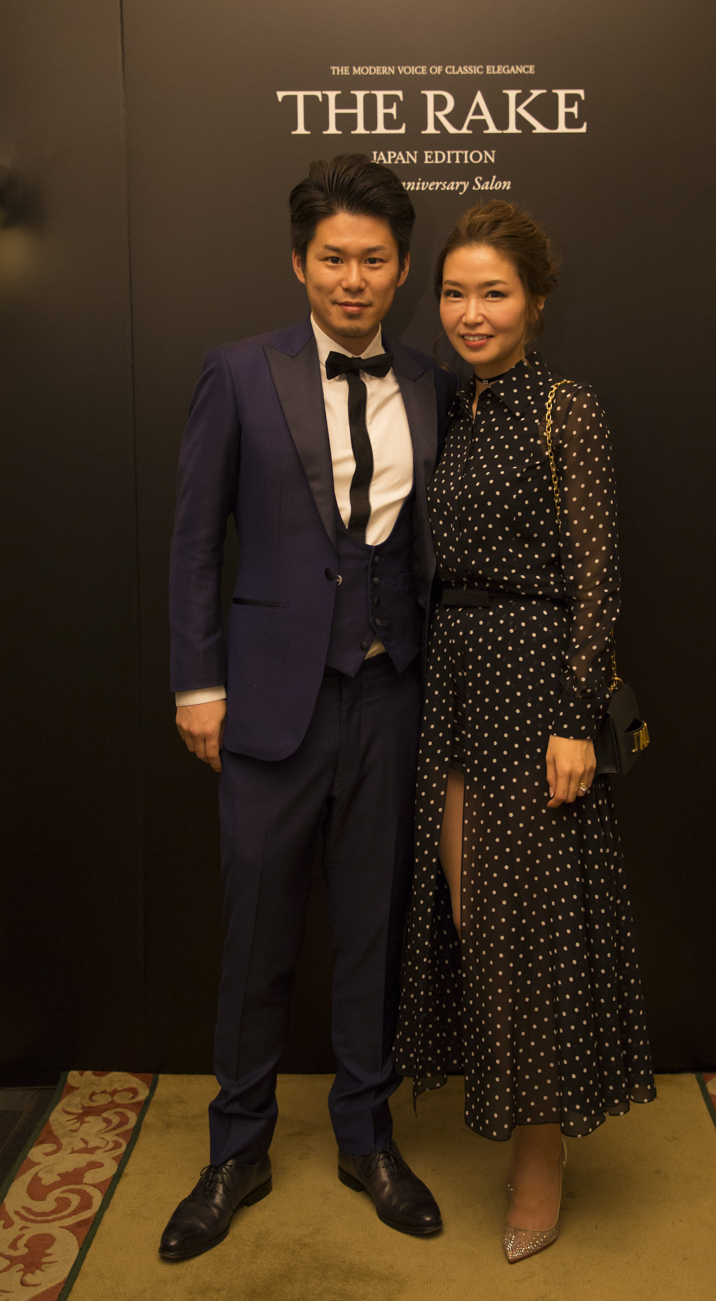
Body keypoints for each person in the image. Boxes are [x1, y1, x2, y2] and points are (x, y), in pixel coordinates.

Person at [160, 154, 456, 1261]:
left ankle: (365, 1137)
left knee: (373, 928)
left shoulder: (430, 383)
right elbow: (196, 541)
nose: (353, 279)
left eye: (373, 260)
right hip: (268, 702)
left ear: (402, 269)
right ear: (299, 263)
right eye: (333, 259)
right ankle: (235, 1149)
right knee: (256, 933)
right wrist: (199, 684)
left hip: (390, 697)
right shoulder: (238, 373)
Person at [393, 201, 656, 1263]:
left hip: (533, 682)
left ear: (535, 303)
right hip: (454, 684)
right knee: (475, 921)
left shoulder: (565, 408)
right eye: (454, 292)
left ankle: (540, 1160)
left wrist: (573, 720)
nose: (470, 312)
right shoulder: (449, 407)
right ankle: (519, 1118)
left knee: (531, 935)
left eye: (493, 293)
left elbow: (598, 576)